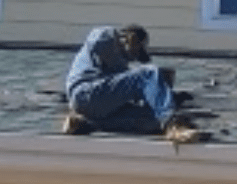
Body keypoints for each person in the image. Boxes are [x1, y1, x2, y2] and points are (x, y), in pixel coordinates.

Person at [62, 24, 198, 143]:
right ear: (130, 38)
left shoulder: (119, 71)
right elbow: (100, 45)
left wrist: (167, 93)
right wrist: (148, 78)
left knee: (151, 118)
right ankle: (174, 126)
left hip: (96, 106)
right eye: (137, 51)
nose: (134, 57)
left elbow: (123, 86)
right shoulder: (107, 34)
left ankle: (83, 123)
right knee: (148, 73)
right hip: (85, 92)